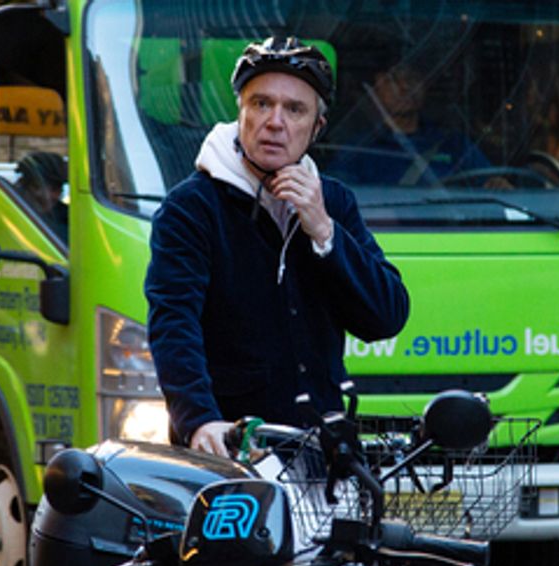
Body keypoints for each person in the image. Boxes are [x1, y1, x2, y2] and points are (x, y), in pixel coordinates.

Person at [146, 37, 410, 457]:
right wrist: (198, 421)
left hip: (322, 450)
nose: (274, 122)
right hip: (231, 452)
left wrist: (324, 231)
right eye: (261, 104)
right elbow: (174, 323)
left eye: (294, 109)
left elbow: (386, 316)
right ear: (240, 112)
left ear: (316, 128)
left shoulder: (333, 201)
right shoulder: (191, 207)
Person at [328, 61, 497, 187]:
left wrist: (497, 184)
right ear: (375, 89)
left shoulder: (453, 143)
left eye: (412, 79)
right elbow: (339, 202)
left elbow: (491, 184)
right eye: (393, 80)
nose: (405, 87)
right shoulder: (357, 150)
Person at [15, 150, 69, 242]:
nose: (53, 196)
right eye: (36, 186)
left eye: (58, 188)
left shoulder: (69, 220)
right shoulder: (11, 213)